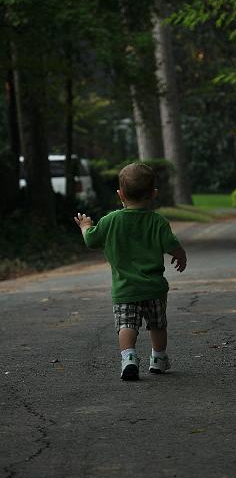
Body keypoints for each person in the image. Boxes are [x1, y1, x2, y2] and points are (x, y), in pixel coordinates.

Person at [74, 163, 187, 381]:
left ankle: (129, 359)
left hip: (125, 289)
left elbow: (91, 240)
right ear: (153, 194)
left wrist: (85, 226)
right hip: (154, 288)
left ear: (120, 194)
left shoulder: (110, 220)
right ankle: (158, 359)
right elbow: (173, 246)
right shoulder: (158, 222)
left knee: (126, 325)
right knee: (157, 325)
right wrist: (180, 255)